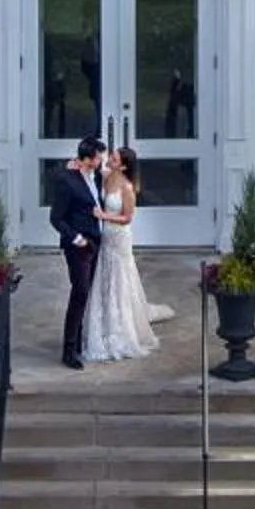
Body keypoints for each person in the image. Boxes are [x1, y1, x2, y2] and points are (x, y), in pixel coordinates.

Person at [84, 145, 160, 363]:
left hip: (119, 237)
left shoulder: (127, 187)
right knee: (104, 276)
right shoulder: (106, 177)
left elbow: (127, 217)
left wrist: (103, 215)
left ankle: (120, 329)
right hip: (105, 237)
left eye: (115, 158)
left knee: (120, 278)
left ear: (124, 165)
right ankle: (103, 323)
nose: (110, 159)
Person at [46, 137, 106, 370]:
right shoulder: (66, 180)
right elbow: (56, 218)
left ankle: (81, 341)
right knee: (80, 292)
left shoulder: (97, 176)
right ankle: (68, 349)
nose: (101, 160)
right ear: (88, 158)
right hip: (79, 246)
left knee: (87, 292)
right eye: (99, 156)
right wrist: (77, 238)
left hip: (98, 242)